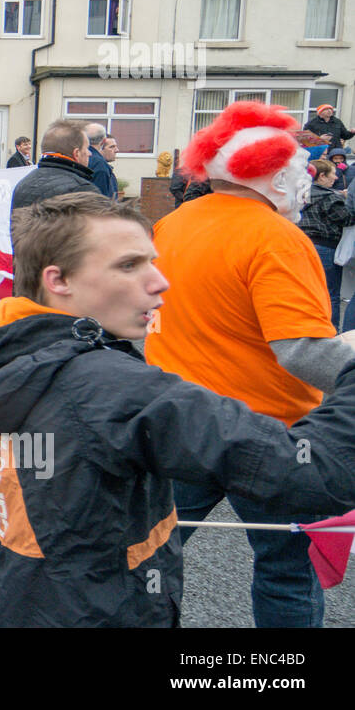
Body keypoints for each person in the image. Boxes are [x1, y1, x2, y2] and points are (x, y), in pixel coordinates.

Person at [0, 191, 355, 627]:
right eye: (129, 265)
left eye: (152, 261)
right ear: (59, 280)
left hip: (17, 602)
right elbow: (314, 471)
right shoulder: (117, 388)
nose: (161, 281)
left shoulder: (4, 348)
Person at [146, 100, 346, 628]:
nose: (306, 178)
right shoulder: (277, 237)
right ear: (273, 174)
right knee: (286, 572)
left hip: (180, 421)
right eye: (298, 166)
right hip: (270, 433)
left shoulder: (173, 224)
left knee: (145, 556)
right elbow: (301, 350)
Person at [298, 158, 354, 330]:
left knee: (306, 292)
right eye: (332, 175)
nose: (335, 178)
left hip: (301, 244)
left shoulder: (300, 193)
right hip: (325, 246)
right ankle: (330, 333)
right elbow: (346, 218)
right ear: (321, 176)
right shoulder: (329, 197)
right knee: (330, 294)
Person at [10, 119, 98, 212]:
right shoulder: (82, 190)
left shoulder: (23, 184)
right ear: (76, 153)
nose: (90, 153)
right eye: (87, 148)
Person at [83, 123, 118, 199]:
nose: (117, 150)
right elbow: (101, 199)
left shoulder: (78, 158)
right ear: (103, 142)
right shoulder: (99, 165)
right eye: (112, 147)